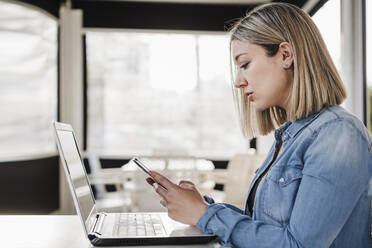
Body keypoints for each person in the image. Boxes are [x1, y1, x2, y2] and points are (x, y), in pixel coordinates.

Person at [146, 3, 372, 247]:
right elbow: (265, 228)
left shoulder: (338, 134)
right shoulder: (290, 136)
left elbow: (297, 245)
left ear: (286, 55)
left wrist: (204, 214)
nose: (237, 81)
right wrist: (202, 207)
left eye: (244, 64)